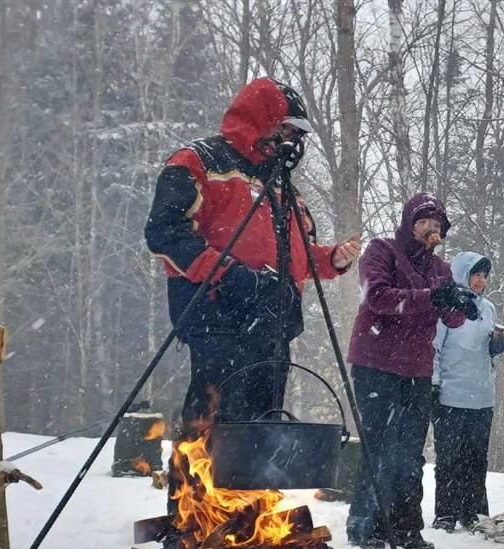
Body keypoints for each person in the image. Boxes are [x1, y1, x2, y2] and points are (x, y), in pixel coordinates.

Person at [145, 77, 360, 433]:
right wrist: (229, 273)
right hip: (217, 312)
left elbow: (297, 256)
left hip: (273, 319)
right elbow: (165, 232)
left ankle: (255, 486)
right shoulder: (199, 161)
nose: (289, 143)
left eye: (295, 136)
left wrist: (332, 259)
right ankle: (199, 484)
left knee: (263, 424)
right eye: (285, 130)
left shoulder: (283, 185)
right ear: (262, 119)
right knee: (217, 417)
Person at [345, 193, 479, 549]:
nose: (431, 231)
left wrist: (460, 303)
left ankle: (406, 526)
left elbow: (450, 317)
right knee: (379, 444)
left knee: (410, 450)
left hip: (417, 368)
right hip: (376, 362)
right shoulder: (382, 250)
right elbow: (378, 297)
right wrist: (433, 296)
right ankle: (365, 523)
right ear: (409, 224)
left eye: (438, 227)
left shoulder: (441, 269)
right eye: (424, 223)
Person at [430, 252, 504, 532]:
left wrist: (498, 343)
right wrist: (434, 385)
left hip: (482, 395)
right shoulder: (447, 307)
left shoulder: (489, 309)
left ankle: (473, 512)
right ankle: (446, 514)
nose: (481, 281)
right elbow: (434, 347)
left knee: (476, 459)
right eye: (476, 274)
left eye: (485, 276)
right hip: (451, 394)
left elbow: (488, 349)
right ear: (462, 274)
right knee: (449, 458)